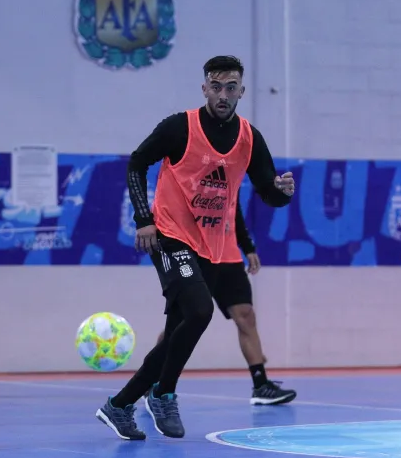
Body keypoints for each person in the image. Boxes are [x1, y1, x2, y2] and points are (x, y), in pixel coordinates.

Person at [96, 56, 296, 440]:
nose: (223, 94)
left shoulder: (250, 138)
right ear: (204, 88)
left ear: (241, 90)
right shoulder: (179, 127)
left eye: (231, 87)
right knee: (201, 311)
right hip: (170, 235)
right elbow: (137, 163)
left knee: (176, 331)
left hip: (215, 249)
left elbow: (269, 190)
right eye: (216, 87)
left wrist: (282, 193)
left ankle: (119, 405)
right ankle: (164, 394)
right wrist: (143, 218)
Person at [153, 219, 286, 400]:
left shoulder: (231, 189)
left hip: (228, 255)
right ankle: (153, 379)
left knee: (245, 315)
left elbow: (234, 210)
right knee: (183, 321)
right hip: (198, 253)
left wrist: (247, 247)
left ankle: (260, 384)